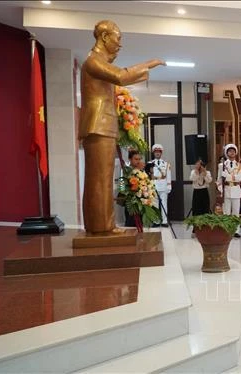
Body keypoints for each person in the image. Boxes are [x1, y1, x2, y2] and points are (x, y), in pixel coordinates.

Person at [79, 20, 164, 234]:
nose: (120, 44)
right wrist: (148, 64)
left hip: (102, 125)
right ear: (104, 37)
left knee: (102, 178)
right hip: (98, 124)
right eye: (118, 38)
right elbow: (120, 76)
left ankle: (102, 226)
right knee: (99, 179)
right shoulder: (93, 61)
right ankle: (101, 227)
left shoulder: (97, 60)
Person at [217, 143, 241, 238]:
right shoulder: (221, 165)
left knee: (236, 212)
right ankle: (227, 230)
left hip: (236, 190)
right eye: (230, 151)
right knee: (226, 212)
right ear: (226, 153)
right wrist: (221, 190)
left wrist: (227, 176)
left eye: (233, 151)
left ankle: (236, 230)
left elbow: (238, 179)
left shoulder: (240, 166)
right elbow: (219, 180)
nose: (232, 153)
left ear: (236, 153)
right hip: (226, 190)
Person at [150, 144, 172, 227]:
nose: (157, 153)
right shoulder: (150, 163)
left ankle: (164, 221)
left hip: (163, 186)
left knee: (164, 204)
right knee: (155, 204)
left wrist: (169, 187)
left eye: (159, 152)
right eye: (156, 152)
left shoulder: (166, 164)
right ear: (153, 153)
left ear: (161, 153)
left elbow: (168, 176)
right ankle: (156, 221)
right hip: (154, 186)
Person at [124, 150, 144, 227]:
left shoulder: (141, 170)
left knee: (140, 223)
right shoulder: (125, 169)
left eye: (139, 159)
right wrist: (124, 193)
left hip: (140, 201)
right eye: (136, 159)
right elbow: (121, 184)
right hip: (130, 201)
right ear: (130, 159)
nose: (138, 161)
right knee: (130, 223)